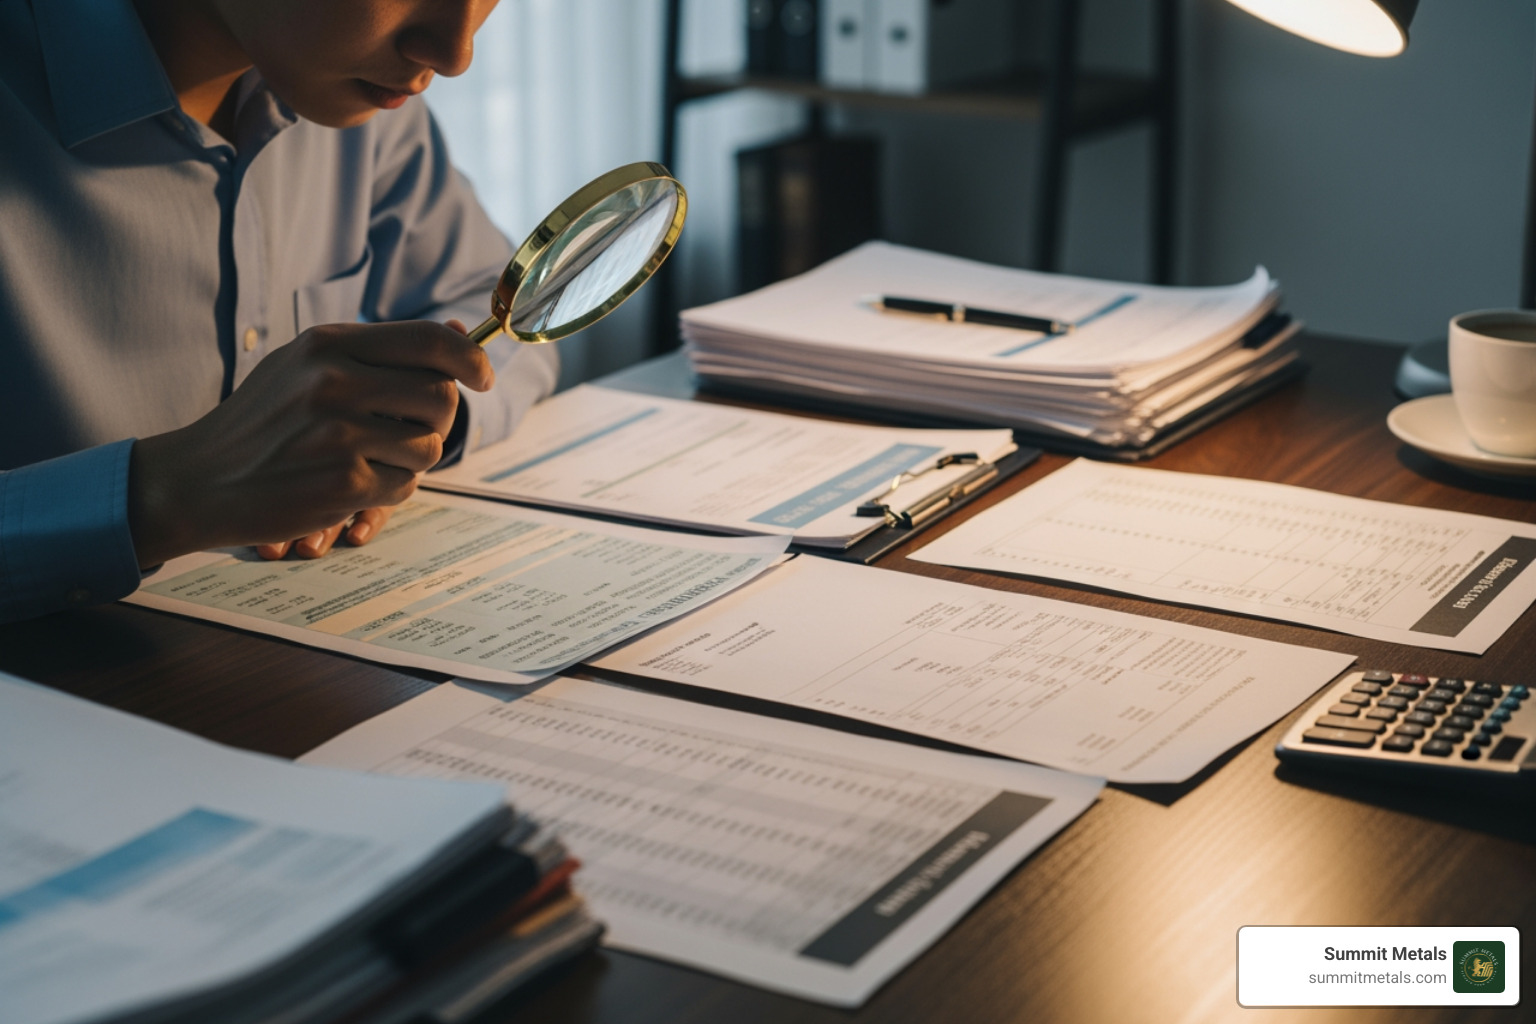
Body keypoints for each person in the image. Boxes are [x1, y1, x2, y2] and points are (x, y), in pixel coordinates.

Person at [0, 0, 558, 623]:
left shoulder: (362, 96)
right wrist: (161, 498)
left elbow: (500, 301)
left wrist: (406, 429)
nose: (456, 55)